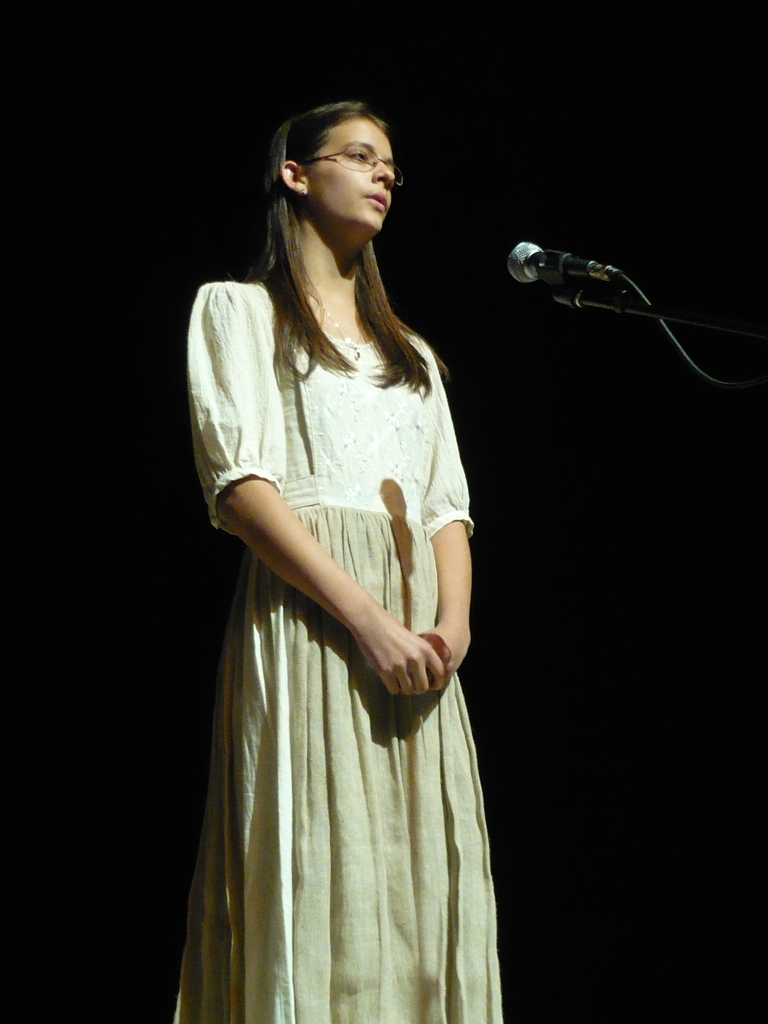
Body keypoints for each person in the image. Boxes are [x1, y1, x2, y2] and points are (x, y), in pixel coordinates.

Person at [174, 100, 503, 1024]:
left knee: (416, 886)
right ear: (296, 173)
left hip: (419, 636)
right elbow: (242, 488)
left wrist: (450, 628)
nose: (383, 175)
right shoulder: (239, 313)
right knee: (319, 861)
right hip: (315, 614)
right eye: (360, 156)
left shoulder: (413, 357)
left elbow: (445, 509)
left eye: (389, 164)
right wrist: (364, 618)